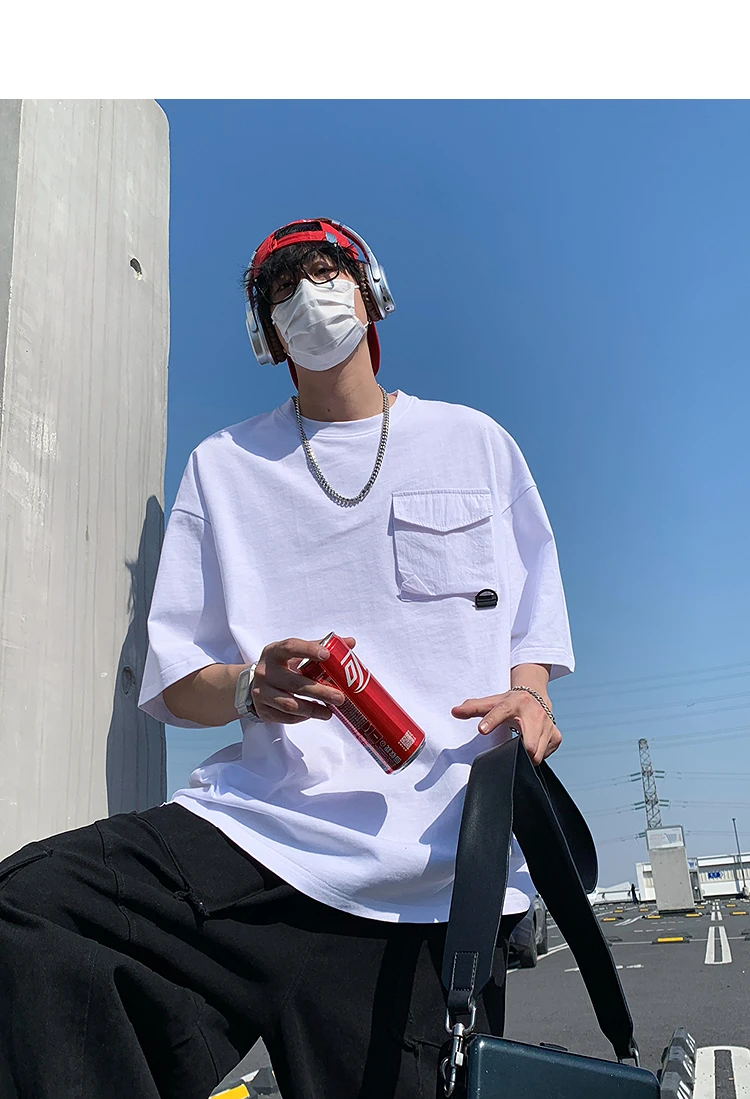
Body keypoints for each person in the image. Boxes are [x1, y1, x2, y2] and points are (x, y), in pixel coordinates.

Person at [0, 218, 574, 1099]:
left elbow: (533, 622)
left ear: (369, 292)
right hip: (261, 839)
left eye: (324, 271)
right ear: (267, 332)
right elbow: (178, 681)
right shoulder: (222, 467)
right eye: (280, 288)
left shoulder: (475, 443)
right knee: (35, 908)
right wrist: (248, 687)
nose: (307, 295)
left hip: (434, 875)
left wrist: (530, 696)